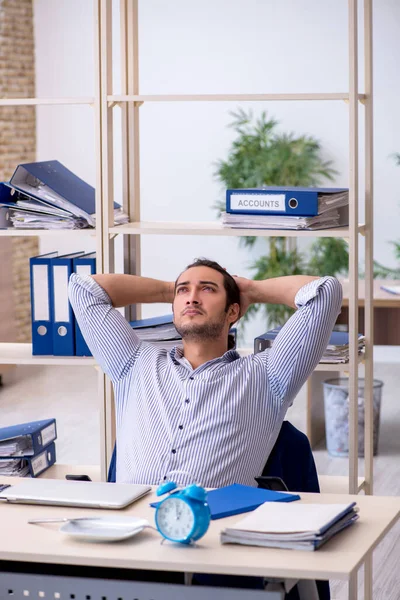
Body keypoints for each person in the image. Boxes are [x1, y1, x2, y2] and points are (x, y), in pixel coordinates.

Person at [68, 258, 342, 487]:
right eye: (184, 291)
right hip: (130, 527)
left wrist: (252, 290)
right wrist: (169, 290)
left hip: (212, 529)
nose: (192, 298)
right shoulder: (134, 361)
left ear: (233, 311)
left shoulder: (268, 375)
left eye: (208, 290)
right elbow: (83, 289)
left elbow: (325, 291)